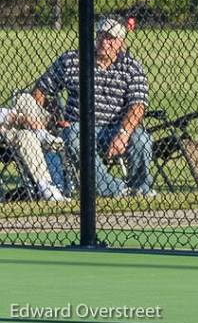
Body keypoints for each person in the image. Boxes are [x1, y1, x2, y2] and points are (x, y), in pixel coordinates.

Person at [31, 15, 154, 198]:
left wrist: (123, 134)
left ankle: (141, 190)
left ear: (121, 42)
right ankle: (117, 190)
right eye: (101, 36)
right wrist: (44, 119)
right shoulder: (72, 60)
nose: (104, 42)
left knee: (141, 139)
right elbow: (41, 90)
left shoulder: (131, 67)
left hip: (115, 129)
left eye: (110, 38)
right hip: (79, 127)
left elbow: (137, 106)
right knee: (73, 136)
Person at [0, 92, 68, 201]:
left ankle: (45, 187)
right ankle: (43, 134)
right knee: (26, 127)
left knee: (25, 98)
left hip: (19, 130)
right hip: (4, 136)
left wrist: (19, 117)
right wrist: (18, 117)